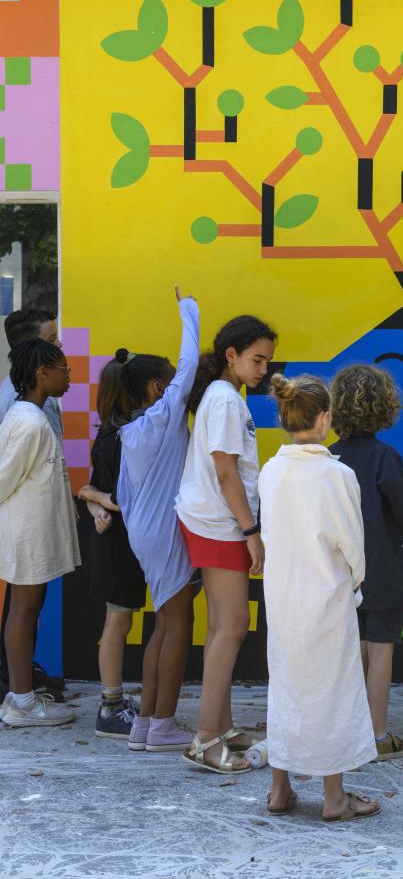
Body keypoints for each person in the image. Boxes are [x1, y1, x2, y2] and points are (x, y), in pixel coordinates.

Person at [259, 373, 380, 819]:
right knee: (332, 691)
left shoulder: (272, 471)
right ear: (326, 418)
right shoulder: (337, 474)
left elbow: (270, 534)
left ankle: (279, 790)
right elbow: (353, 545)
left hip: (282, 594)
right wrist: (356, 582)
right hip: (327, 595)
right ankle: (333, 797)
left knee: (287, 686)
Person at [176, 315, 276, 774]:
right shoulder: (223, 400)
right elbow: (225, 472)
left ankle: (222, 725)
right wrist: (250, 530)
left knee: (223, 627)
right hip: (220, 524)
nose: (263, 370)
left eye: (267, 361)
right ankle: (204, 740)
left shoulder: (224, 397)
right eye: (257, 360)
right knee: (231, 626)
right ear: (231, 355)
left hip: (217, 521)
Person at [115, 287, 199, 752]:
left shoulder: (134, 432)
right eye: (167, 382)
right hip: (164, 532)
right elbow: (186, 371)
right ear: (155, 388)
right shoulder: (163, 418)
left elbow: (126, 495)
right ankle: (164, 723)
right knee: (178, 625)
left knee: (164, 624)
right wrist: (189, 312)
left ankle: (146, 723)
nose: (176, 389)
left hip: (146, 532)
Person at [330, 364, 403, 761]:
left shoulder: (328, 456)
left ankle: (346, 732)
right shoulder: (386, 457)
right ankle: (377, 735)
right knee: (380, 647)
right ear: (386, 406)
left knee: (347, 650)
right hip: (382, 569)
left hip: (337, 572)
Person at [0, 339, 79, 726]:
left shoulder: (33, 416)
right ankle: (21, 702)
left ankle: (23, 695)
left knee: (28, 610)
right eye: (63, 368)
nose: (69, 376)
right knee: (23, 610)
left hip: (32, 532)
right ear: (41, 373)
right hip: (25, 533)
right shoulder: (29, 421)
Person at [77, 358, 147, 739]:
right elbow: (123, 498)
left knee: (119, 621)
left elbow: (94, 487)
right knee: (117, 623)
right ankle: (109, 707)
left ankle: (115, 701)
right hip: (119, 543)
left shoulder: (110, 432)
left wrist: (91, 497)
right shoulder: (122, 436)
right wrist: (95, 498)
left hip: (114, 538)